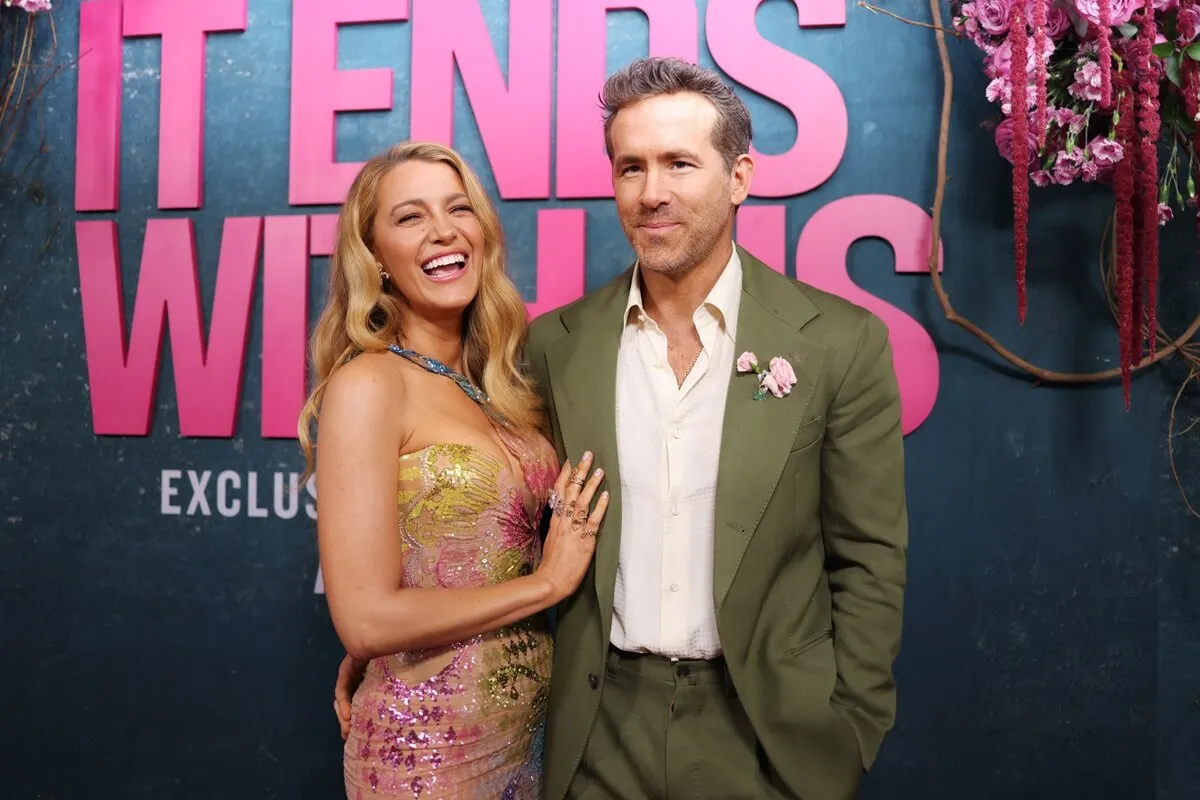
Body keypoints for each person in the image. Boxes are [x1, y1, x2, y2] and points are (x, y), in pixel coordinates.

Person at [337, 57, 908, 799]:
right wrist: (385, 642)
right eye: (630, 167)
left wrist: (850, 727)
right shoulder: (553, 348)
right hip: (592, 729)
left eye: (679, 163)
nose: (652, 193)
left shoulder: (838, 342)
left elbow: (868, 557)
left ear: (739, 177)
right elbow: (498, 521)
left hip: (764, 734)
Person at [301, 140, 609, 799]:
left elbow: (451, 559)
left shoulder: (501, 387)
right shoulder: (370, 383)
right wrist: (548, 583)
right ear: (375, 257)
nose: (443, 230)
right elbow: (365, 621)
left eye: (458, 208)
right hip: (427, 756)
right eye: (409, 217)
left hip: (526, 743)